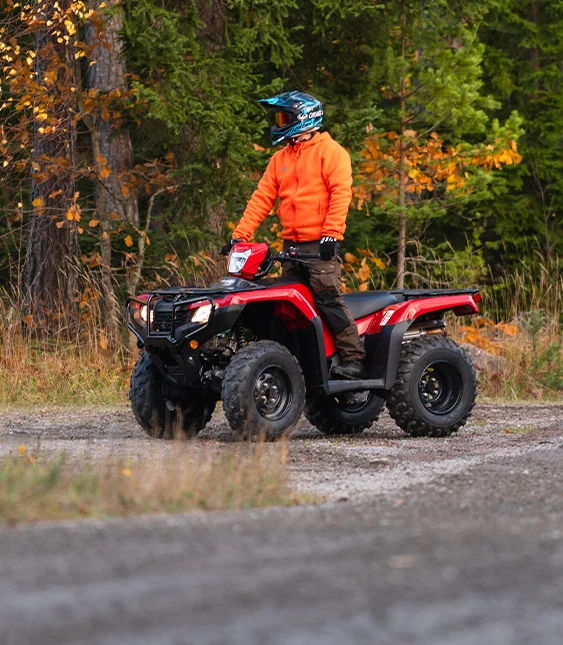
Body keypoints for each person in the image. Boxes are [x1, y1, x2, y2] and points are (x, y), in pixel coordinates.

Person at [220, 90, 366, 380]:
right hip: (292, 248)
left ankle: (354, 359)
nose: (279, 123)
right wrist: (240, 236)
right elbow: (262, 198)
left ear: (304, 118)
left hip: (320, 247)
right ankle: (292, 364)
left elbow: (340, 194)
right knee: (284, 308)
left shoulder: (331, 152)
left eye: (284, 117)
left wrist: (331, 235)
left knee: (326, 298)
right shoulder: (280, 159)